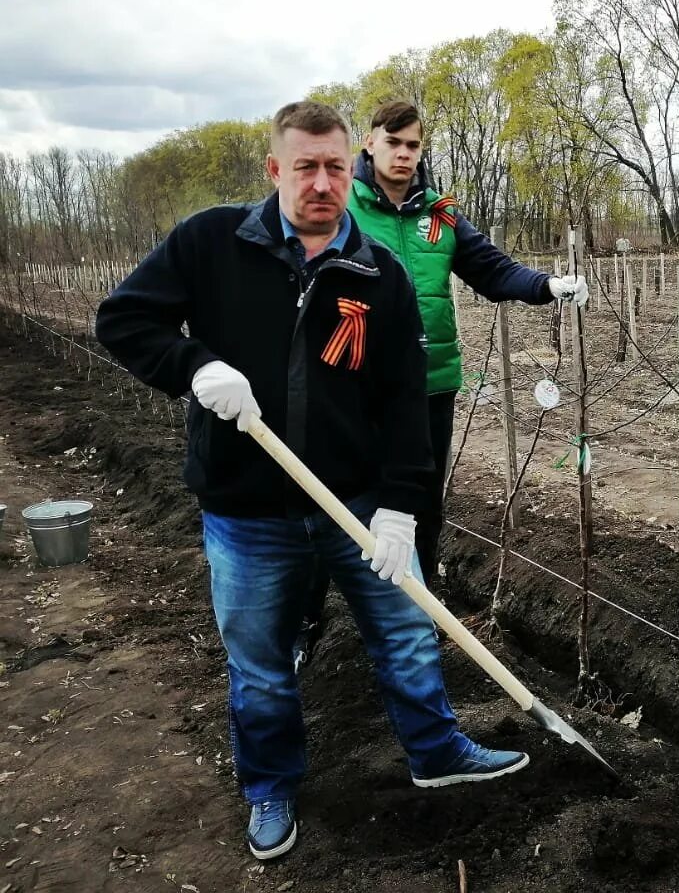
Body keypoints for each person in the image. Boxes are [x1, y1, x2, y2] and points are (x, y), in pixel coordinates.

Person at [95, 101, 530, 862]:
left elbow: (403, 399)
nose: (322, 182)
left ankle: (436, 752)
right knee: (261, 663)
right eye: (305, 167)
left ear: (347, 166)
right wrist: (195, 367)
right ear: (275, 169)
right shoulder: (209, 244)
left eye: (333, 166)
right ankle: (269, 785)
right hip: (247, 507)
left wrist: (399, 507)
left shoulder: (377, 271)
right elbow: (123, 321)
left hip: (354, 502)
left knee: (404, 630)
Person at [291, 99, 588, 671]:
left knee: (419, 506)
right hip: (348, 386)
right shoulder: (340, 206)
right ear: (369, 143)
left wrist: (547, 285)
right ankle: (308, 618)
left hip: (429, 384)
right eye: (392, 142)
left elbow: (493, 270)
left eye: (413, 145)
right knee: (332, 502)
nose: (403, 154)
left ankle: (415, 616)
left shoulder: (441, 215)